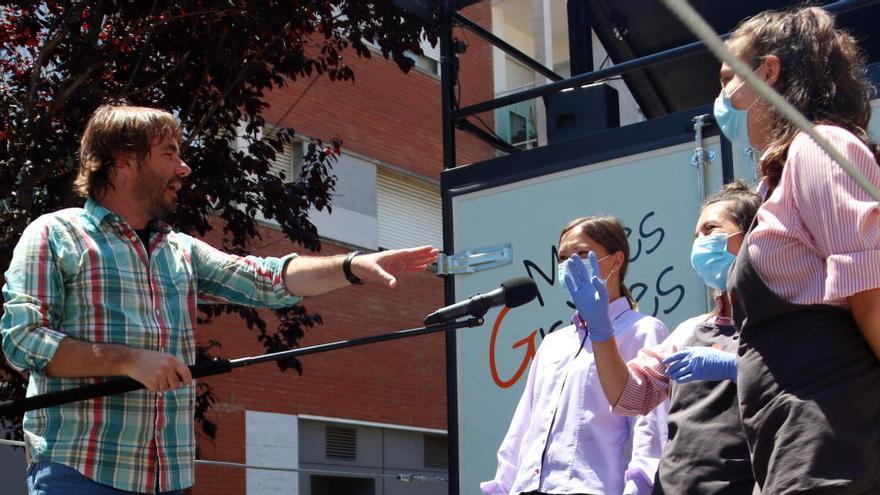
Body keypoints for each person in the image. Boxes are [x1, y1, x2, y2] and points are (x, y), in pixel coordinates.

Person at [0, 105, 439, 495]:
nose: (184, 168)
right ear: (122, 162)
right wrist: (127, 360)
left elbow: (265, 279)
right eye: (169, 153)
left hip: (169, 477)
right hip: (79, 474)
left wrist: (353, 265)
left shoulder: (180, 250)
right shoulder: (54, 235)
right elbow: (22, 340)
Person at [720, 7, 880, 493]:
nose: (721, 97)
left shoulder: (821, 146)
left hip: (836, 450)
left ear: (767, 72)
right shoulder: (785, 174)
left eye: (729, 78)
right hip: (802, 446)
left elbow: (872, 290)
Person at [567, 182, 761, 494]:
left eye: (711, 229)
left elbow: (801, 383)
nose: (700, 243)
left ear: (752, 235)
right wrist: (601, 329)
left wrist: (736, 366)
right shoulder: (689, 331)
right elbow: (628, 395)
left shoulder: (780, 325)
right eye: (696, 235)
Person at [481, 216, 668, 495]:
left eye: (581, 253)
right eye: (563, 257)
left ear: (616, 261)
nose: (569, 264)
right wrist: (501, 487)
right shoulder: (554, 343)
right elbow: (522, 428)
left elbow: (650, 428)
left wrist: (639, 487)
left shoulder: (642, 330)